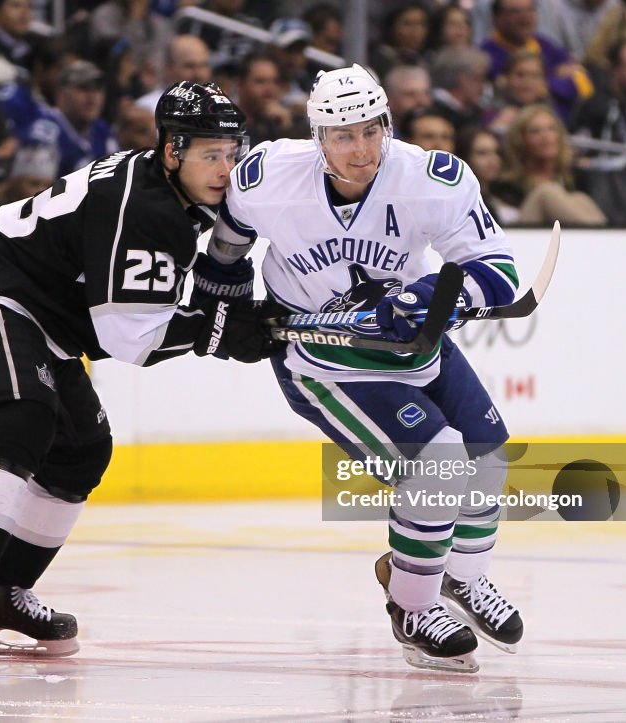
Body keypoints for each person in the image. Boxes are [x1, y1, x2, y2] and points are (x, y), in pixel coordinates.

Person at [0, 81, 282, 673]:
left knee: (82, 449)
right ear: (171, 151)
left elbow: (151, 313)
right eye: (210, 154)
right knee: (21, 421)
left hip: (43, 315)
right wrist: (219, 334)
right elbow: (128, 338)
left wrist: (223, 321)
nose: (225, 168)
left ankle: (3, 593)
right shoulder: (146, 208)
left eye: (232, 152)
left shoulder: (177, 200)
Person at [206, 64, 524, 673]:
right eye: (343, 135)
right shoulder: (266, 176)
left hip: (409, 344)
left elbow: (498, 272)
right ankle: (412, 606)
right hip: (325, 358)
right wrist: (225, 311)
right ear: (317, 137)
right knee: (438, 466)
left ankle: (463, 577)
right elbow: (227, 247)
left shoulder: (433, 178)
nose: (361, 149)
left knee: (488, 454)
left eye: (372, 131)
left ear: (388, 124)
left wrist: (436, 293)